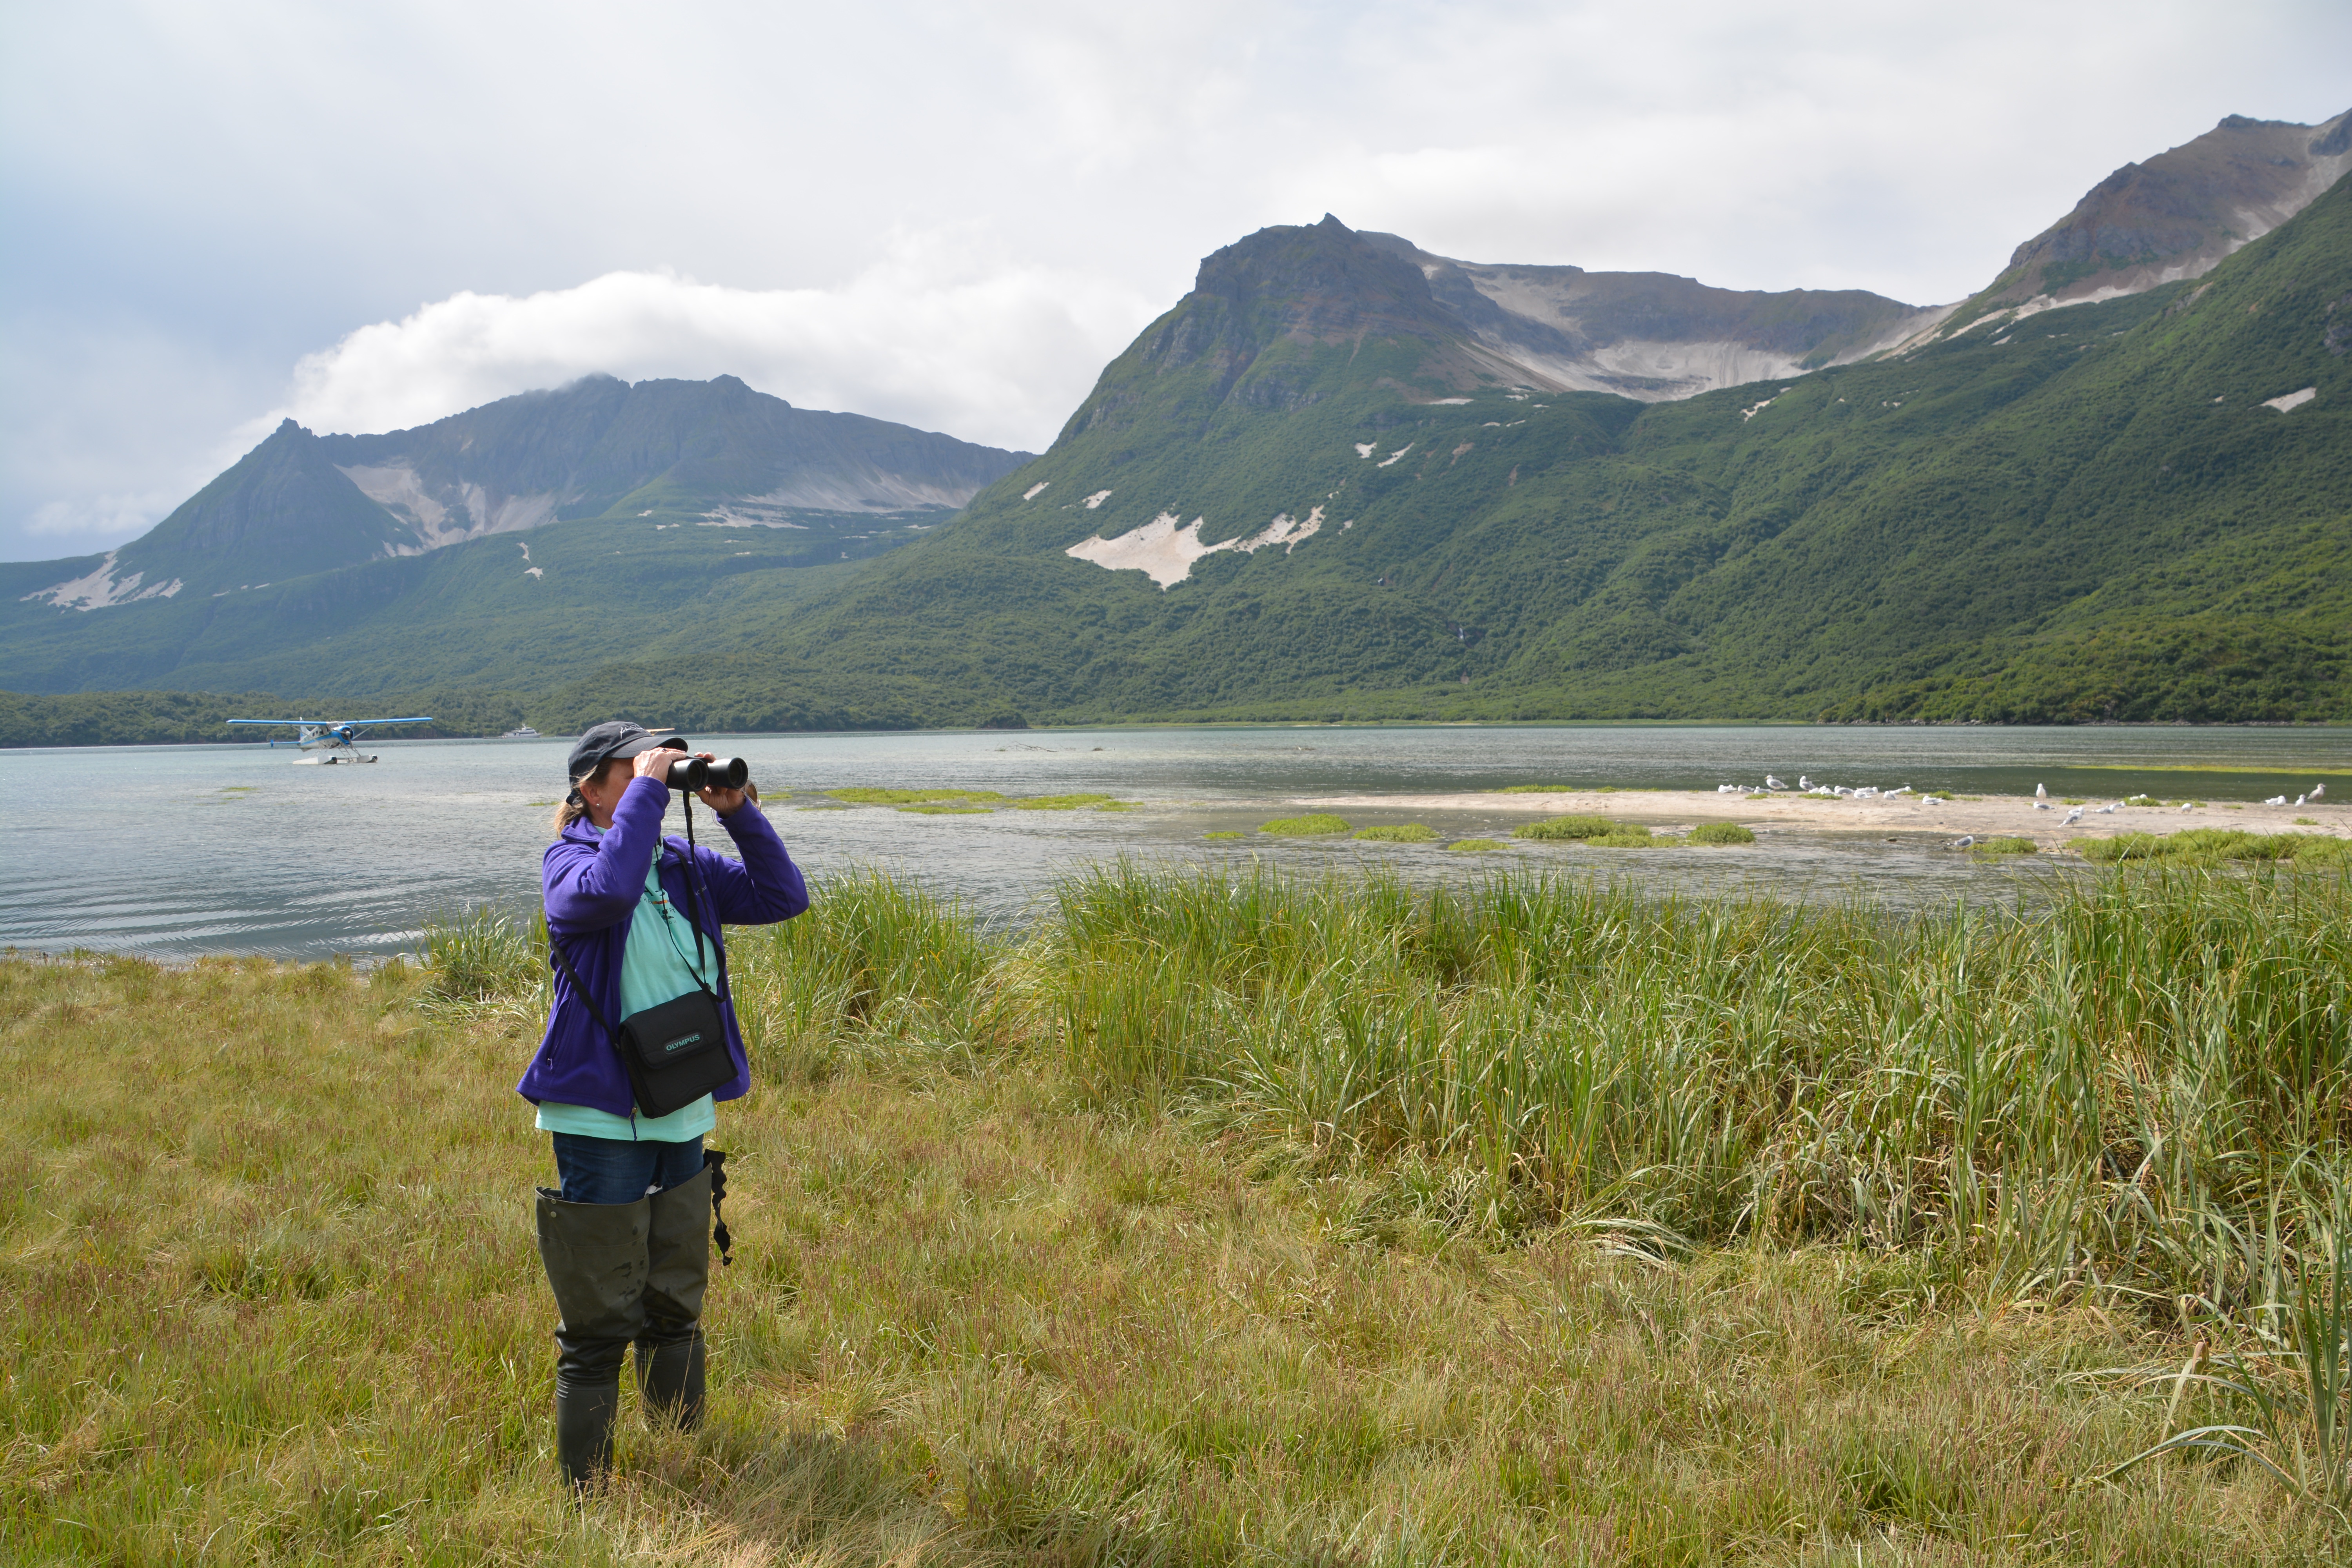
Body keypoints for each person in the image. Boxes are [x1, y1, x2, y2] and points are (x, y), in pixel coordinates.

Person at [517, 721, 808, 1490]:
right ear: (589, 785)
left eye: (664, 764)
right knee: (600, 1311)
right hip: (599, 1111)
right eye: (637, 766)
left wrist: (737, 808)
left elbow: (784, 896)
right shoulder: (570, 862)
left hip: (680, 1098)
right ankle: (585, 1489)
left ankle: (683, 1456)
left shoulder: (680, 862)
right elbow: (609, 892)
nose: (659, 773)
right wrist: (650, 788)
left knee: (674, 1291)